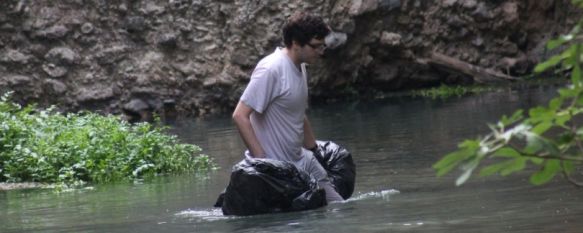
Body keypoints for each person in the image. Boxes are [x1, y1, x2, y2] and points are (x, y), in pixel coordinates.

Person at [232, 11, 344, 203]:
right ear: (295, 43)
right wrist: (264, 163)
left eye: (322, 46)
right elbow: (240, 115)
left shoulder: (300, 66)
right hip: (279, 169)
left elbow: (299, 113)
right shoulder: (271, 69)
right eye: (315, 46)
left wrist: (315, 150)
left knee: (339, 208)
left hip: (302, 160)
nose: (320, 51)